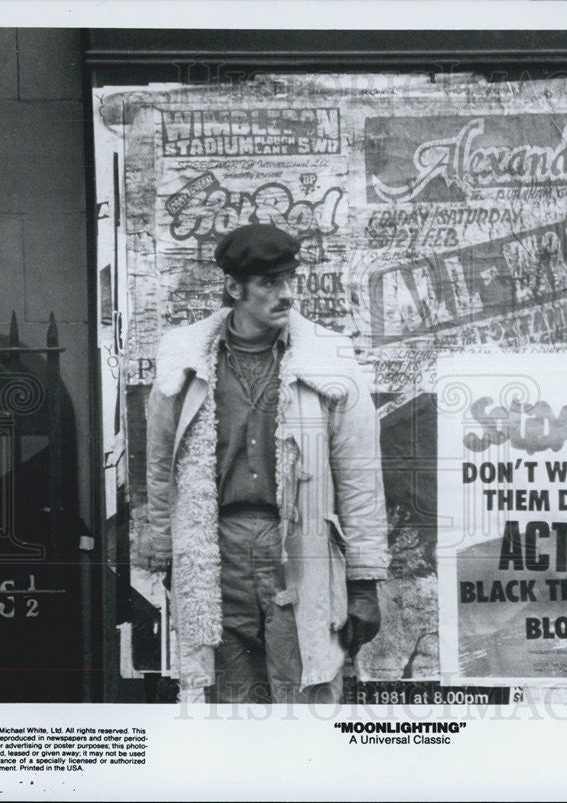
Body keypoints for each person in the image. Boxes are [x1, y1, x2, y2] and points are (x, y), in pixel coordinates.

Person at [136, 223, 389, 704]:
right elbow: (160, 465)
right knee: (231, 703)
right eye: (270, 284)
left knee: (304, 694)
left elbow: (360, 477)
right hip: (216, 549)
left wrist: (364, 584)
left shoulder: (329, 359)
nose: (286, 295)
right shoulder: (185, 359)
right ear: (234, 289)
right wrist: (167, 551)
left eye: (289, 280)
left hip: (298, 547)